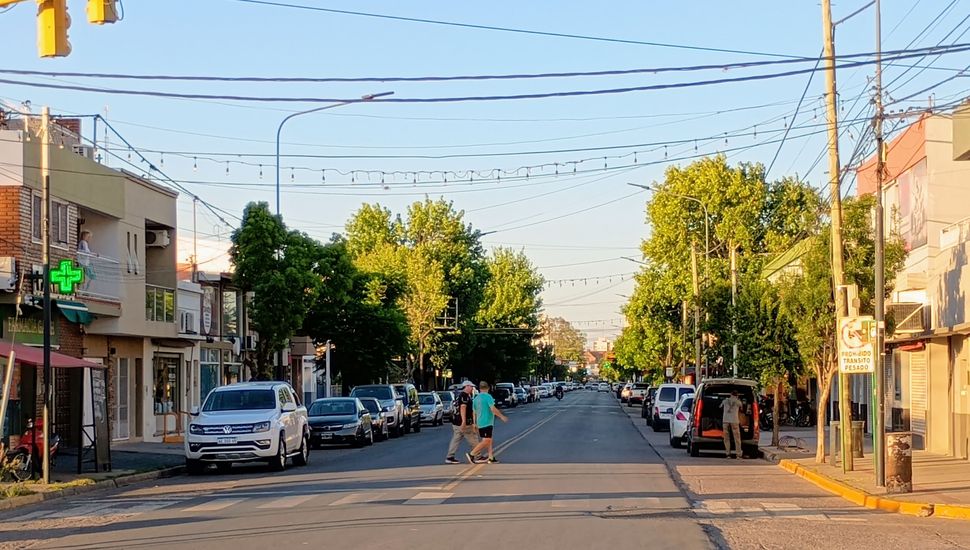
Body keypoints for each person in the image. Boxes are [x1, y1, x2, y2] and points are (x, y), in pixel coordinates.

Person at [468, 381, 508, 464]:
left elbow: (474, 412)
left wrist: (474, 423)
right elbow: (492, 408)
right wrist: (501, 416)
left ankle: (490, 457)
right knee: (486, 440)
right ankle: (472, 454)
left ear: (480, 389)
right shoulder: (488, 397)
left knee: (489, 440)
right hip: (487, 422)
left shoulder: (476, 398)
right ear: (488, 388)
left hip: (480, 422)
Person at [445, 381, 480, 464]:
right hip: (463, 422)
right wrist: (464, 421)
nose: (472, 388)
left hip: (456, 422)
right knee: (473, 438)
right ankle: (478, 456)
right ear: (466, 386)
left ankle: (450, 456)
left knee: (456, 439)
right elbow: (463, 408)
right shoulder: (464, 396)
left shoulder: (461, 396)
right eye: (471, 387)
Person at [720, 390, 743, 459]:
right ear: (737, 395)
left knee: (726, 438)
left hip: (725, 420)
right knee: (737, 438)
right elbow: (742, 409)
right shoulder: (738, 402)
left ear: (730, 394)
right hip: (734, 421)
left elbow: (720, 407)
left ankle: (728, 454)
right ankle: (738, 454)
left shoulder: (725, 401)